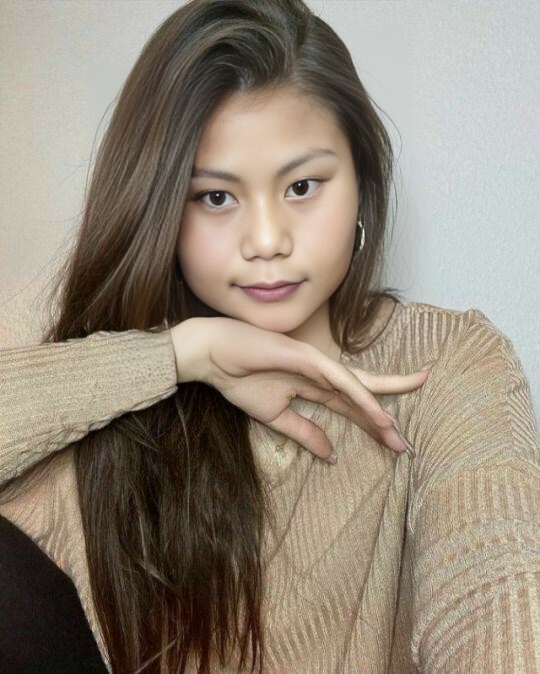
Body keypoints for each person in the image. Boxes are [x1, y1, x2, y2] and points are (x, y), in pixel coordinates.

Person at [0, 1, 538, 672]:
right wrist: (178, 356)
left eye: (303, 186)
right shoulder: (97, 377)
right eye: (215, 197)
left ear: (363, 186)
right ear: (162, 206)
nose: (265, 241)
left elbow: (498, 589)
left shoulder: (448, 362)